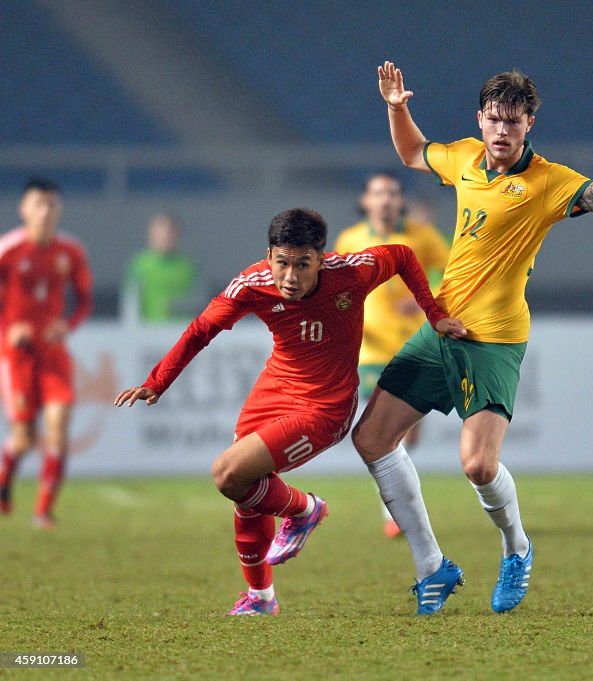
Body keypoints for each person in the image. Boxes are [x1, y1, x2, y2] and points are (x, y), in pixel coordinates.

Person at [353, 62, 593, 615]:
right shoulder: (464, 157)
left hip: (494, 341)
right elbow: (413, 153)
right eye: (493, 119)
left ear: (529, 123)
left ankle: (517, 548)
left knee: (478, 467)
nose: (502, 131)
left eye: (513, 121)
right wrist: (397, 107)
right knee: (370, 439)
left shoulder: (549, 183)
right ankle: (434, 567)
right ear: (481, 120)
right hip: (441, 329)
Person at [114, 208, 464, 616]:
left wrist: (434, 313)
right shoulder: (253, 283)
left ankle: (305, 509)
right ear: (269, 256)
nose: (291, 277)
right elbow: (200, 331)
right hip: (274, 389)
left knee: (228, 473)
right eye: (282, 263)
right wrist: (157, 381)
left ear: (321, 257)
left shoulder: (351, 272)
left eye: (302, 264)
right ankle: (261, 598)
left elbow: (403, 254)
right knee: (246, 493)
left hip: (325, 406)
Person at [334, 172, 449, 538]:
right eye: (378, 193)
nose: (386, 200)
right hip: (370, 347)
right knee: (384, 431)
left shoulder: (422, 236)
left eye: (393, 193)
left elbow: (453, 273)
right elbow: (338, 287)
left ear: (401, 201)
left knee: (409, 434)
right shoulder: (350, 240)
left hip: (415, 344)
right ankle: (393, 512)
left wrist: (422, 294)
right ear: (365, 201)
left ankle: (395, 505)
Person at [0, 178, 93, 529]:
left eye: (51, 204)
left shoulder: (70, 252)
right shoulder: (8, 249)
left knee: (58, 428)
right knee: (22, 440)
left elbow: (84, 301)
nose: (45, 211)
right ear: (24, 209)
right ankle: (5, 480)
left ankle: (43, 512)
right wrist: (8, 329)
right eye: (38, 204)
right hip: (16, 357)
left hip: (53, 353)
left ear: (59, 210)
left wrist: (67, 325)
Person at [121, 213, 202, 323]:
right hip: (150, 332)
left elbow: (201, 300)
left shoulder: (189, 266)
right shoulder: (140, 265)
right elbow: (130, 303)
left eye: (170, 232)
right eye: (160, 231)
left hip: (185, 332)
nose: (165, 236)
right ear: (151, 233)